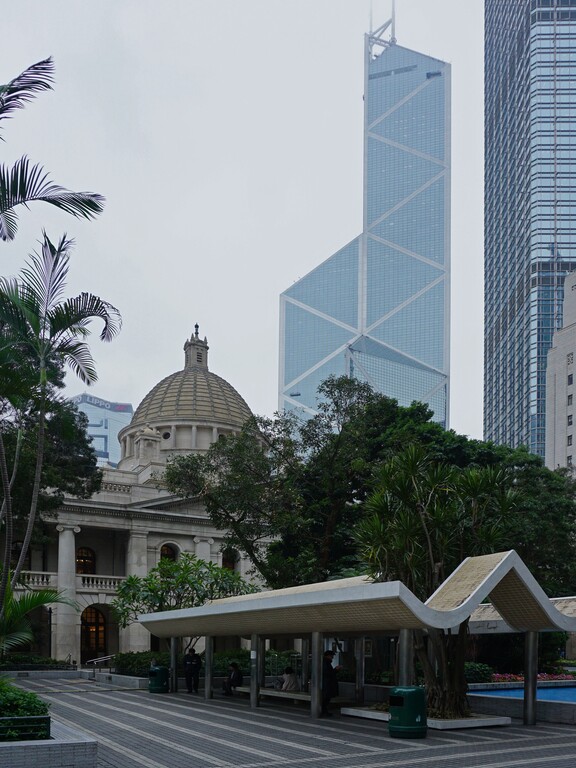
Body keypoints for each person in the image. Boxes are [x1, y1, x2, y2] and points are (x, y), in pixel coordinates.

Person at [321, 650, 341, 716]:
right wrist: (335, 670)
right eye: (331, 656)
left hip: (327, 683)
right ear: (328, 656)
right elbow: (328, 673)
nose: (332, 657)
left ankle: (324, 710)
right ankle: (323, 710)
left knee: (326, 698)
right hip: (327, 684)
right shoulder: (325, 662)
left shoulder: (325, 662)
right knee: (326, 698)